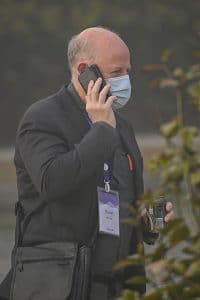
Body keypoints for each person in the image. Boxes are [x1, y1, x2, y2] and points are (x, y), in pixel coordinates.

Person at [0, 27, 174, 300]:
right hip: (58, 287)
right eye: (117, 72)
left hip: (116, 287)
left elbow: (116, 211)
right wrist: (102, 131)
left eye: (128, 71)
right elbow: (53, 182)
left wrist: (147, 225)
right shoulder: (42, 118)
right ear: (84, 70)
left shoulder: (123, 127)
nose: (126, 80)